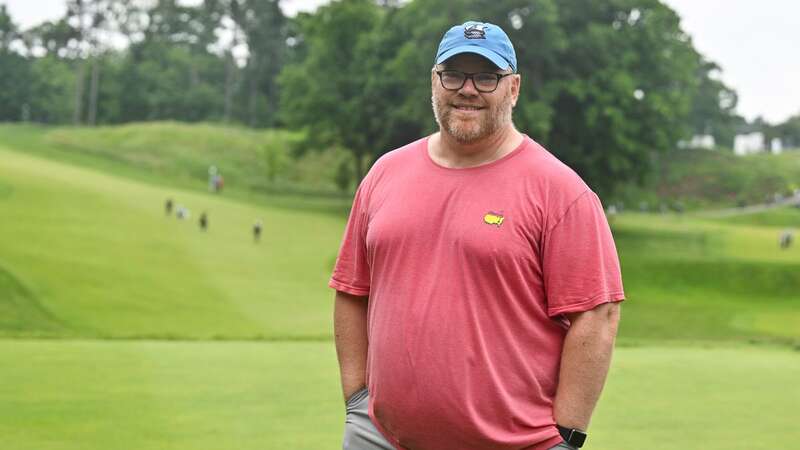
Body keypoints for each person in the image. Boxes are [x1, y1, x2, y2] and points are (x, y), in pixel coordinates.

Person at [330, 21, 625, 450]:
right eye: (454, 74)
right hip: (381, 437)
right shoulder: (385, 173)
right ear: (434, 81)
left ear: (514, 88)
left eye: (487, 76)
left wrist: (566, 436)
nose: (468, 89)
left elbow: (597, 316)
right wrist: (358, 402)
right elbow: (352, 290)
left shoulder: (560, 191)